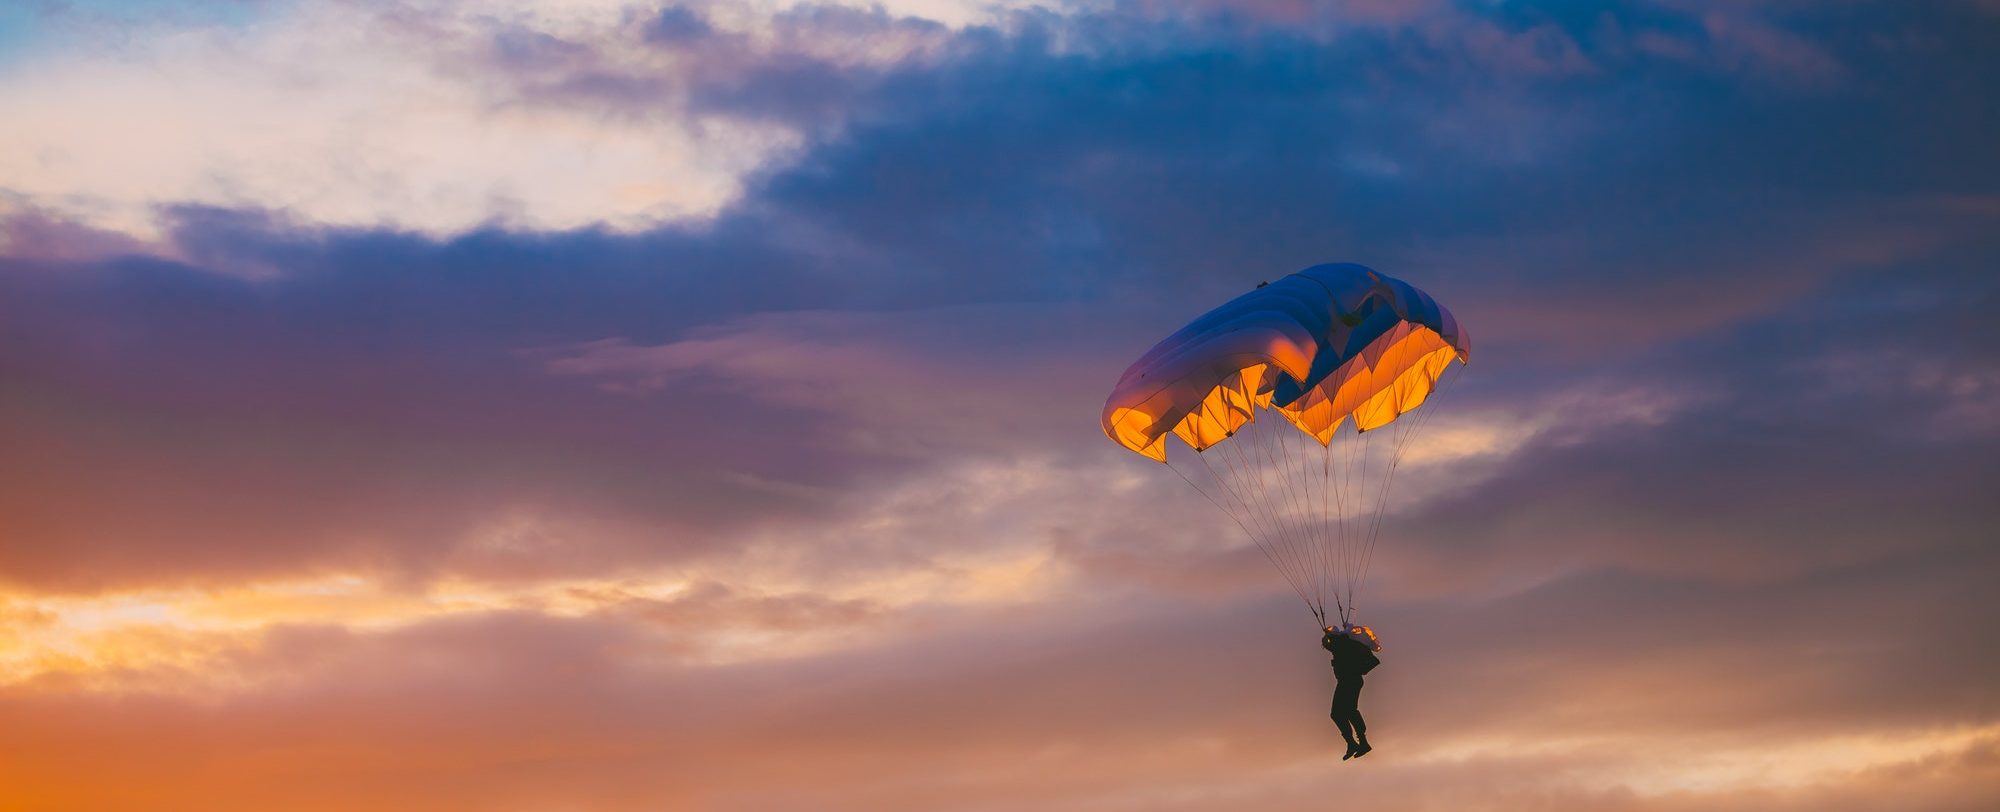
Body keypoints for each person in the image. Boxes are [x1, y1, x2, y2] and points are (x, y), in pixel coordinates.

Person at [1321, 624, 1380, 760]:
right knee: (1349, 711)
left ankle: (1354, 743)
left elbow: (1327, 644)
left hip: (1348, 681)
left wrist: (1326, 635)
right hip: (1352, 681)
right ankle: (1360, 742)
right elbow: (1328, 645)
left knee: (1337, 713)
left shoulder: (1341, 645)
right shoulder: (1345, 643)